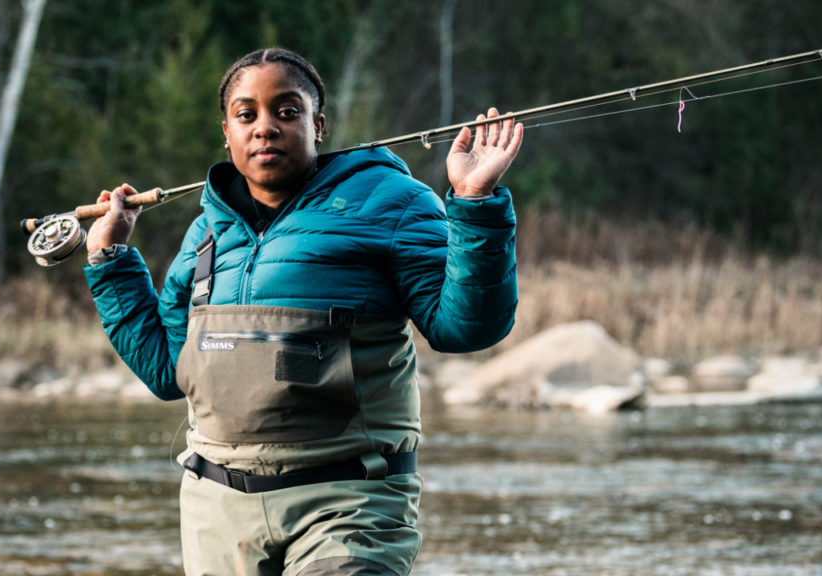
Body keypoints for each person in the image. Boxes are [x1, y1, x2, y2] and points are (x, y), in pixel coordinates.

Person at [83, 47, 522, 576]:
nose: (265, 127)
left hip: (349, 501)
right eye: (246, 114)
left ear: (319, 125)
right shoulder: (204, 234)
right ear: (226, 132)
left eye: (287, 111)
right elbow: (166, 373)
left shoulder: (392, 203)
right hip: (216, 513)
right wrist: (109, 260)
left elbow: (466, 328)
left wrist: (474, 202)